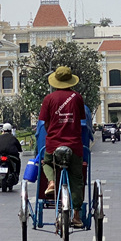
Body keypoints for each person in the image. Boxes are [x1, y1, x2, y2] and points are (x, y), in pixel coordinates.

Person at [38, 66, 86, 228]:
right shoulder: (77, 97)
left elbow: (45, 123)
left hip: (53, 145)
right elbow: (80, 120)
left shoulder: (49, 99)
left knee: (46, 163)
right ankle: (77, 215)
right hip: (74, 146)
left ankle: (51, 182)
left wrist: (53, 133)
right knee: (77, 180)